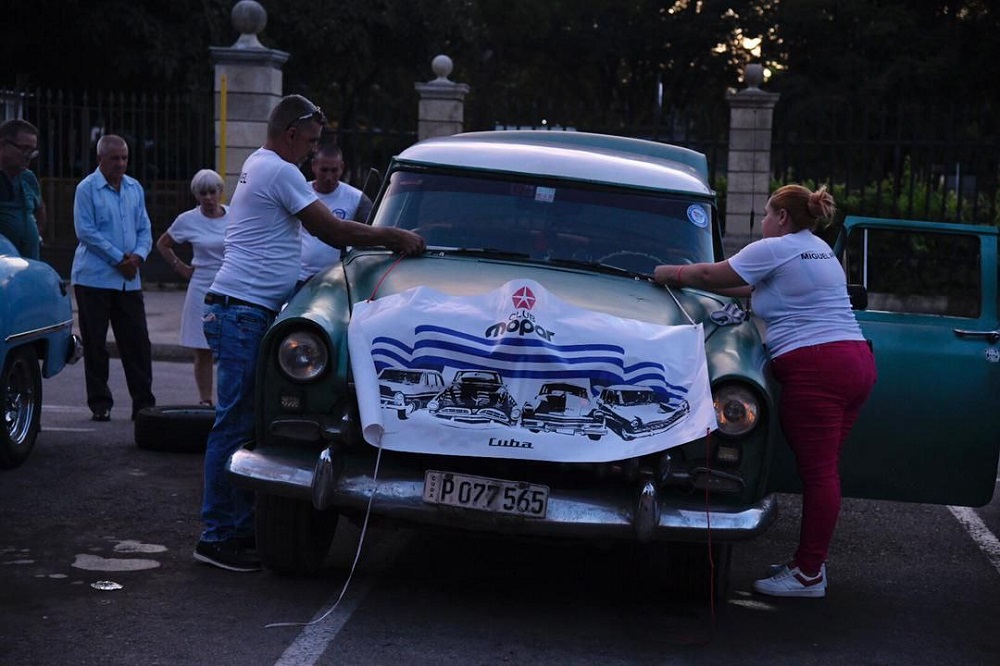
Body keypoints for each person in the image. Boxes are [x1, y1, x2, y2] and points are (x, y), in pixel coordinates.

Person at [194, 94, 424, 572]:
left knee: (247, 422)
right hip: (241, 311)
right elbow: (332, 231)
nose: (313, 152)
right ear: (292, 134)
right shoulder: (279, 171)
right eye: (312, 142)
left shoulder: (261, 164)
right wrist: (394, 237)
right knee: (234, 423)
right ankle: (216, 537)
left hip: (244, 311)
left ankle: (234, 528)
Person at [653, 184, 876, 599]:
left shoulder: (775, 248)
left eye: (766, 213)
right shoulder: (818, 249)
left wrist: (669, 274)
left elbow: (709, 273)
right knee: (824, 471)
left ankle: (809, 574)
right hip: (855, 361)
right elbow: (754, 289)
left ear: (783, 218)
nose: (762, 222)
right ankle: (809, 564)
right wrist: (705, 284)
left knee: (819, 473)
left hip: (818, 368)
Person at [71, 134, 156, 422]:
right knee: (96, 343)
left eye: (124, 158)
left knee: (137, 343)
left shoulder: (134, 188)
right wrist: (119, 259)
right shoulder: (87, 189)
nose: (121, 164)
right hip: (94, 279)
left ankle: (143, 404)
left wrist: (139, 256)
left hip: (128, 279)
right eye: (114, 158)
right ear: (100, 160)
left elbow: (145, 227)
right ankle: (100, 402)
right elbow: (86, 231)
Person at [155, 169, 229, 406]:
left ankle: (229, 401)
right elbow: (163, 244)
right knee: (203, 348)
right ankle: (205, 400)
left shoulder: (234, 216)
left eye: (212, 192)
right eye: (203, 193)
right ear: (196, 195)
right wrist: (181, 267)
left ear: (220, 192)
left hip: (230, 285)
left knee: (230, 348)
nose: (208, 198)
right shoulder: (188, 220)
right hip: (201, 287)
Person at [296, 143, 374, 291]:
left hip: (335, 278)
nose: (329, 177)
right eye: (324, 170)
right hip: (298, 277)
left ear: (342, 167)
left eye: (334, 170)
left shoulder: (356, 198)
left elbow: (369, 234)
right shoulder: (299, 192)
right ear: (313, 166)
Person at [0, 118, 46, 259]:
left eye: (32, 151)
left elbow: (40, 208)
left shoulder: (28, 177)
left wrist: (35, 235)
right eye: (24, 149)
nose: (29, 156)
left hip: (29, 265)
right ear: (2, 145)